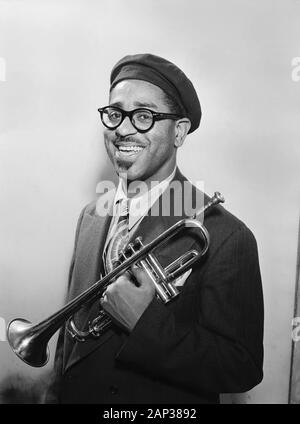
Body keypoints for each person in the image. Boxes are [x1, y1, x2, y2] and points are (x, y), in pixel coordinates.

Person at [46, 53, 264, 404]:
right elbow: (71, 342)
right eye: (115, 114)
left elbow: (242, 366)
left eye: (144, 116)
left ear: (178, 132)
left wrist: (146, 324)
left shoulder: (227, 235)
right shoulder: (90, 217)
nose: (123, 129)